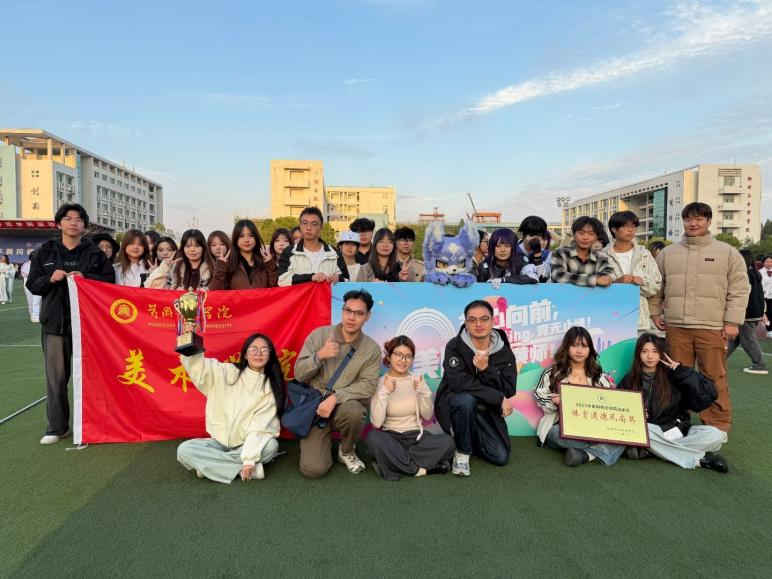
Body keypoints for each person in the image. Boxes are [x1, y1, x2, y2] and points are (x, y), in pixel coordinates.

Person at [649, 202, 749, 433]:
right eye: (688, 219)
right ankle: (677, 421)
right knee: (675, 375)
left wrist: (732, 321)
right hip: (676, 326)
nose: (693, 223)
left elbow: (739, 289)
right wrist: (655, 312)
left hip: (712, 326)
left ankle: (717, 426)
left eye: (699, 219)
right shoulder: (667, 253)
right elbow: (656, 286)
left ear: (708, 221)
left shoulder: (728, 253)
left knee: (713, 377)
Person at [26, 203, 115, 444]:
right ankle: (57, 428)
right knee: (56, 379)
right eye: (68, 218)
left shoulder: (95, 253)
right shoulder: (45, 251)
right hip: (56, 325)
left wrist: (87, 278)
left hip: (90, 326)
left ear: (84, 225)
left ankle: (97, 425)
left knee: (95, 377)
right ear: (59, 223)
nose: (73, 222)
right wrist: (50, 278)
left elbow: (109, 282)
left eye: (78, 219)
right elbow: (33, 284)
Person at [293, 289, 381, 477]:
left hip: (343, 406)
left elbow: (368, 385)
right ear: (342, 310)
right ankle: (316, 442)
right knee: (313, 470)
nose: (351, 317)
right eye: (347, 310)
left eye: (359, 313)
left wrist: (335, 397)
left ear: (368, 316)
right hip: (315, 408)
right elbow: (299, 374)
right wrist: (319, 356)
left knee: (354, 411)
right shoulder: (319, 335)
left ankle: (346, 450)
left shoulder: (372, 349)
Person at [177, 333, 284, 482]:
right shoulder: (227, 372)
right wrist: (190, 338)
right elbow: (200, 369)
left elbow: (259, 427)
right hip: (218, 443)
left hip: (245, 444)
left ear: (270, 355)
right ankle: (241, 471)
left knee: (271, 446)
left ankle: (208, 466)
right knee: (184, 450)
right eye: (253, 349)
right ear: (245, 354)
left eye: (264, 349)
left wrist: (248, 458)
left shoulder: (270, 388)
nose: (258, 353)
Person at [618, 333, 729, 472]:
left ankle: (652, 451)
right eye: (644, 351)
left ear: (661, 353)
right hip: (650, 432)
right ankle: (699, 460)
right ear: (638, 354)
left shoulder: (674, 376)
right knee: (646, 430)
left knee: (716, 435)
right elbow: (619, 411)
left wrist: (683, 372)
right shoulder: (629, 380)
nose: (650, 356)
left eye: (654, 351)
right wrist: (636, 415)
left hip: (674, 432)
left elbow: (708, 395)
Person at [434, 300, 516, 476]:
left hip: (486, 411)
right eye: (472, 320)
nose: (478, 324)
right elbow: (459, 383)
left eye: (484, 319)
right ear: (466, 323)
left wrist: (486, 369)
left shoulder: (504, 351)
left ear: (493, 321)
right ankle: (462, 452)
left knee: (501, 457)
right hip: (457, 405)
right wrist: (498, 398)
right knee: (465, 399)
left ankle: (467, 438)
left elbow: (509, 389)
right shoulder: (455, 346)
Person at [366, 335, 455, 480]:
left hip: (416, 437)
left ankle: (392, 464)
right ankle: (419, 470)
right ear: (389, 356)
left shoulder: (417, 380)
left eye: (408, 356)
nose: (403, 360)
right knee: (373, 439)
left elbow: (427, 415)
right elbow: (377, 423)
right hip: (391, 438)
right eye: (398, 355)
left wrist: (423, 391)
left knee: (448, 442)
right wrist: (384, 392)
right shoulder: (381, 383)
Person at [534, 326, 625, 467]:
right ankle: (606, 448)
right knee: (556, 433)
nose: (579, 351)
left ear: (590, 349)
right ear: (566, 347)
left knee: (622, 433)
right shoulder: (553, 371)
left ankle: (586, 455)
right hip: (560, 427)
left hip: (593, 427)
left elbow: (610, 402)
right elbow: (540, 396)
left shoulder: (598, 374)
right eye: (574, 345)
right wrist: (555, 402)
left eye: (584, 346)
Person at [602, 211, 662, 333]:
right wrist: (616, 283)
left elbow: (656, 285)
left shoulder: (644, 255)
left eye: (634, 226)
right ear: (614, 229)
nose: (631, 230)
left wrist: (642, 283)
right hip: (609, 319)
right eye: (626, 226)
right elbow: (595, 288)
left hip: (638, 321)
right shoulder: (602, 256)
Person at [277, 207, 347, 286]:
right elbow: (281, 280)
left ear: (321, 228)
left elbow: (347, 280)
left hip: (326, 294)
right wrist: (310, 277)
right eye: (305, 223)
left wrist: (339, 279)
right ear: (300, 226)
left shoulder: (334, 253)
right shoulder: (289, 252)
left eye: (314, 224)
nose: (309, 227)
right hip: (300, 294)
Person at [726, 250, 767, 375]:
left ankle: (760, 364)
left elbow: (742, 294)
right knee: (735, 338)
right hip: (754, 310)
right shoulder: (755, 273)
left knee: (748, 339)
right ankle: (719, 359)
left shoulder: (746, 274)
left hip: (747, 312)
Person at [209, 220, 277, 290]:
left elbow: (276, 290)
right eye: (241, 236)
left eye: (250, 235)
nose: (246, 240)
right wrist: (221, 268)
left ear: (256, 238)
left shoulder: (266, 262)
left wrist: (271, 265)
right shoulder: (227, 263)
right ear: (236, 239)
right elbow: (215, 292)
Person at [550, 217, 615, 287]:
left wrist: (579, 280)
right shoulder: (561, 253)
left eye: (591, 234)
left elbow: (609, 275)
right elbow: (558, 276)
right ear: (573, 235)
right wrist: (594, 280)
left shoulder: (600, 256)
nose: (585, 237)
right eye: (581, 233)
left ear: (596, 237)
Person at [147, 229, 213, 290]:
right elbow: (152, 289)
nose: (192, 250)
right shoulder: (175, 268)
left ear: (203, 247)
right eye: (188, 246)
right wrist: (163, 269)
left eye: (197, 246)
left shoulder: (212, 269)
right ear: (183, 248)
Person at [518, 215, 552, 282]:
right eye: (531, 235)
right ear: (522, 234)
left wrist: (537, 254)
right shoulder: (513, 250)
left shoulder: (547, 254)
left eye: (539, 235)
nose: (535, 239)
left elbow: (543, 277)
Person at [20, 255, 41, 322]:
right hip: (28, 284)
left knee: (37, 300)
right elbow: (23, 274)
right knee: (30, 300)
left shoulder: (40, 263)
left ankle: (37, 315)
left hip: (38, 283)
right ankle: (32, 314)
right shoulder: (26, 264)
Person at [761, 255, 772, 338]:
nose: (769, 263)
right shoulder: (759, 272)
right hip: (763, 296)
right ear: (763, 263)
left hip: (771, 296)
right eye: (767, 262)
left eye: (771, 262)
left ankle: (770, 330)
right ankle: (769, 330)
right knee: (766, 313)